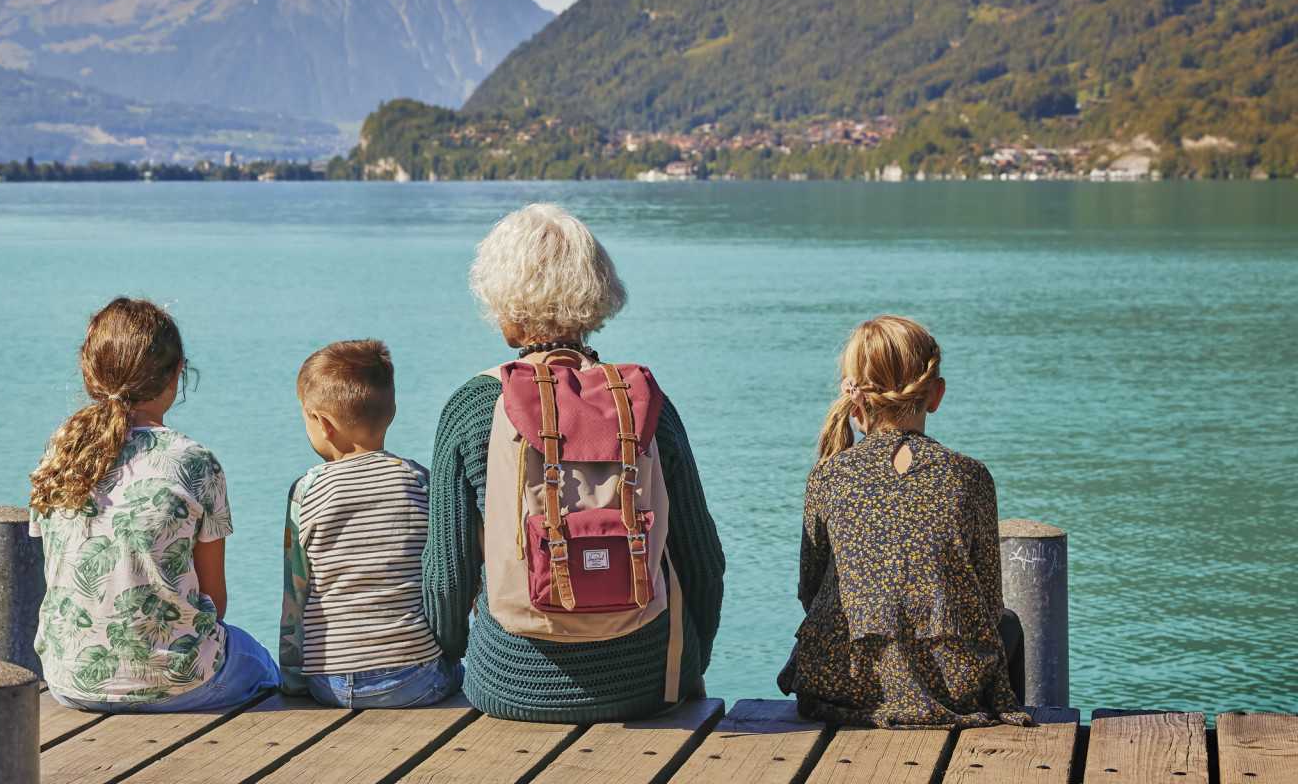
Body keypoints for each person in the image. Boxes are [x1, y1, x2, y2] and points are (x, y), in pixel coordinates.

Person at [422, 203, 725, 723]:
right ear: (595, 296)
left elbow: (447, 577)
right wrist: (690, 662)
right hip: (650, 678)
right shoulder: (644, 402)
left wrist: (449, 658)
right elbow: (703, 563)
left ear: (507, 308)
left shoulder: (473, 406)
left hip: (511, 683)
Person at [777, 316, 1031, 729]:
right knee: (1008, 625)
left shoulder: (828, 474)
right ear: (936, 393)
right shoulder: (969, 475)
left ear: (853, 395)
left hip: (840, 682)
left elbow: (810, 592)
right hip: (948, 687)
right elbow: (987, 603)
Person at [28, 297, 279, 712]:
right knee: (259, 661)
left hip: (68, 680)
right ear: (177, 374)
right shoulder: (193, 462)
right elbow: (214, 599)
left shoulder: (61, 454)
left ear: (89, 373)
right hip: (179, 685)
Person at [279, 340, 460, 709]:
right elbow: (443, 576)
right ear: (391, 410)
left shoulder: (306, 491)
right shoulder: (420, 481)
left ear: (323, 425)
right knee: (457, 671)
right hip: (415, 680)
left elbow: (295, 594)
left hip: (329, 682)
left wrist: (296, 680)